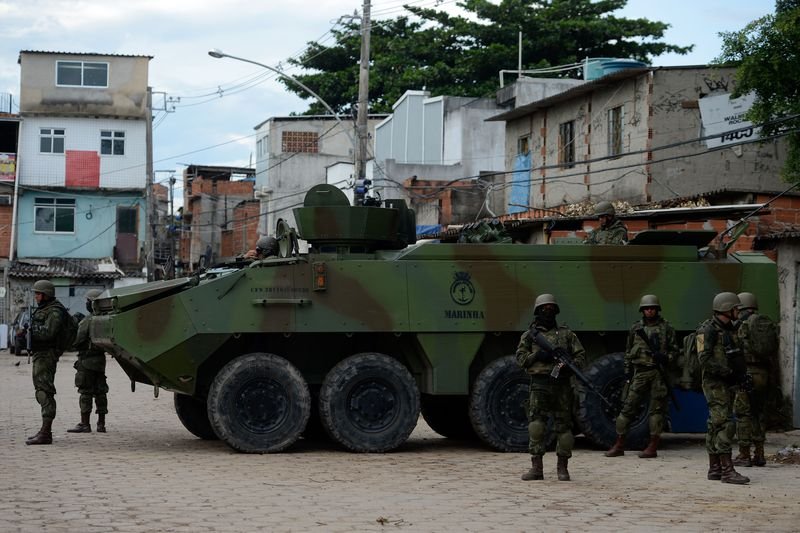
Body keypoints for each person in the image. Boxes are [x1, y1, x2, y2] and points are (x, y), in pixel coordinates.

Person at [516, 294, 585, 481]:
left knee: (564, 428)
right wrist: (537, 356)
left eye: (551, 308)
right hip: (539, 384)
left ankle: (563, 468)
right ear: (537, 311)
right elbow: (521, 359)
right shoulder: (530, 336)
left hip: (561, 385)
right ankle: (536, 468)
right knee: (536, 425)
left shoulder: (566, 334)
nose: (548, 311)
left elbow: (581, 357)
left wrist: (568, 364)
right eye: (544, 308)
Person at [606, 295, 678, 458]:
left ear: (657, 309)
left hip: (658, 373)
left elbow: (675, 351)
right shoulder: (636, 329)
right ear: (642, 310)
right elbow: (628, 351)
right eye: (646, 308)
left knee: (657, 410)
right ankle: (619, 444)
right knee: (627, 407)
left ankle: (652, 446)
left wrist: (666, 358)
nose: (650, 310)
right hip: (639, 372)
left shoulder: (667, 328)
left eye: (652, 308)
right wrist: (627, 372)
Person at [697, 292, 750, 484]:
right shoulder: (706, 331)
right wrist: (726, 372)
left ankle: (715, 468)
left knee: (715, 424)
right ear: (727, 309)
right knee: (725, 423)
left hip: (727, 382)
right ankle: (728, 471)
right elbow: (703, 360)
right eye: (736, 308)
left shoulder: (730, 329)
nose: (739, 311)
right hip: (714, 383)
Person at [733, 292, 777, 467]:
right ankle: (759, 454)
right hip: (764, 374)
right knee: (759, 413)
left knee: (743, 414)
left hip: (747, 374)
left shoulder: (741, 325)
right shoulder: (764, 324)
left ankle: (744, 454)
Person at [22, 280, 68, 445]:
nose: (36, 297)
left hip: (47, 355)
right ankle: (44, 430)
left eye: (38, 293)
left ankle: (46, 432)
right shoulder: (45, 309)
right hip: (40, 354)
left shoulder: (55, 311)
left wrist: (31, 330)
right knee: (41, 389)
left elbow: (49, 333)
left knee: (44, 391)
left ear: (46, 294)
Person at [66, 289, 109, 434]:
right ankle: (101, 424)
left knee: (85, 392)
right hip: (100, 361)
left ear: (92, 303)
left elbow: (77, 341)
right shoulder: (106, 319)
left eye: (87, 301)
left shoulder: (88, 320)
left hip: (86, 361)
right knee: (101, 392)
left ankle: (85, 424)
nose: (86, 303)